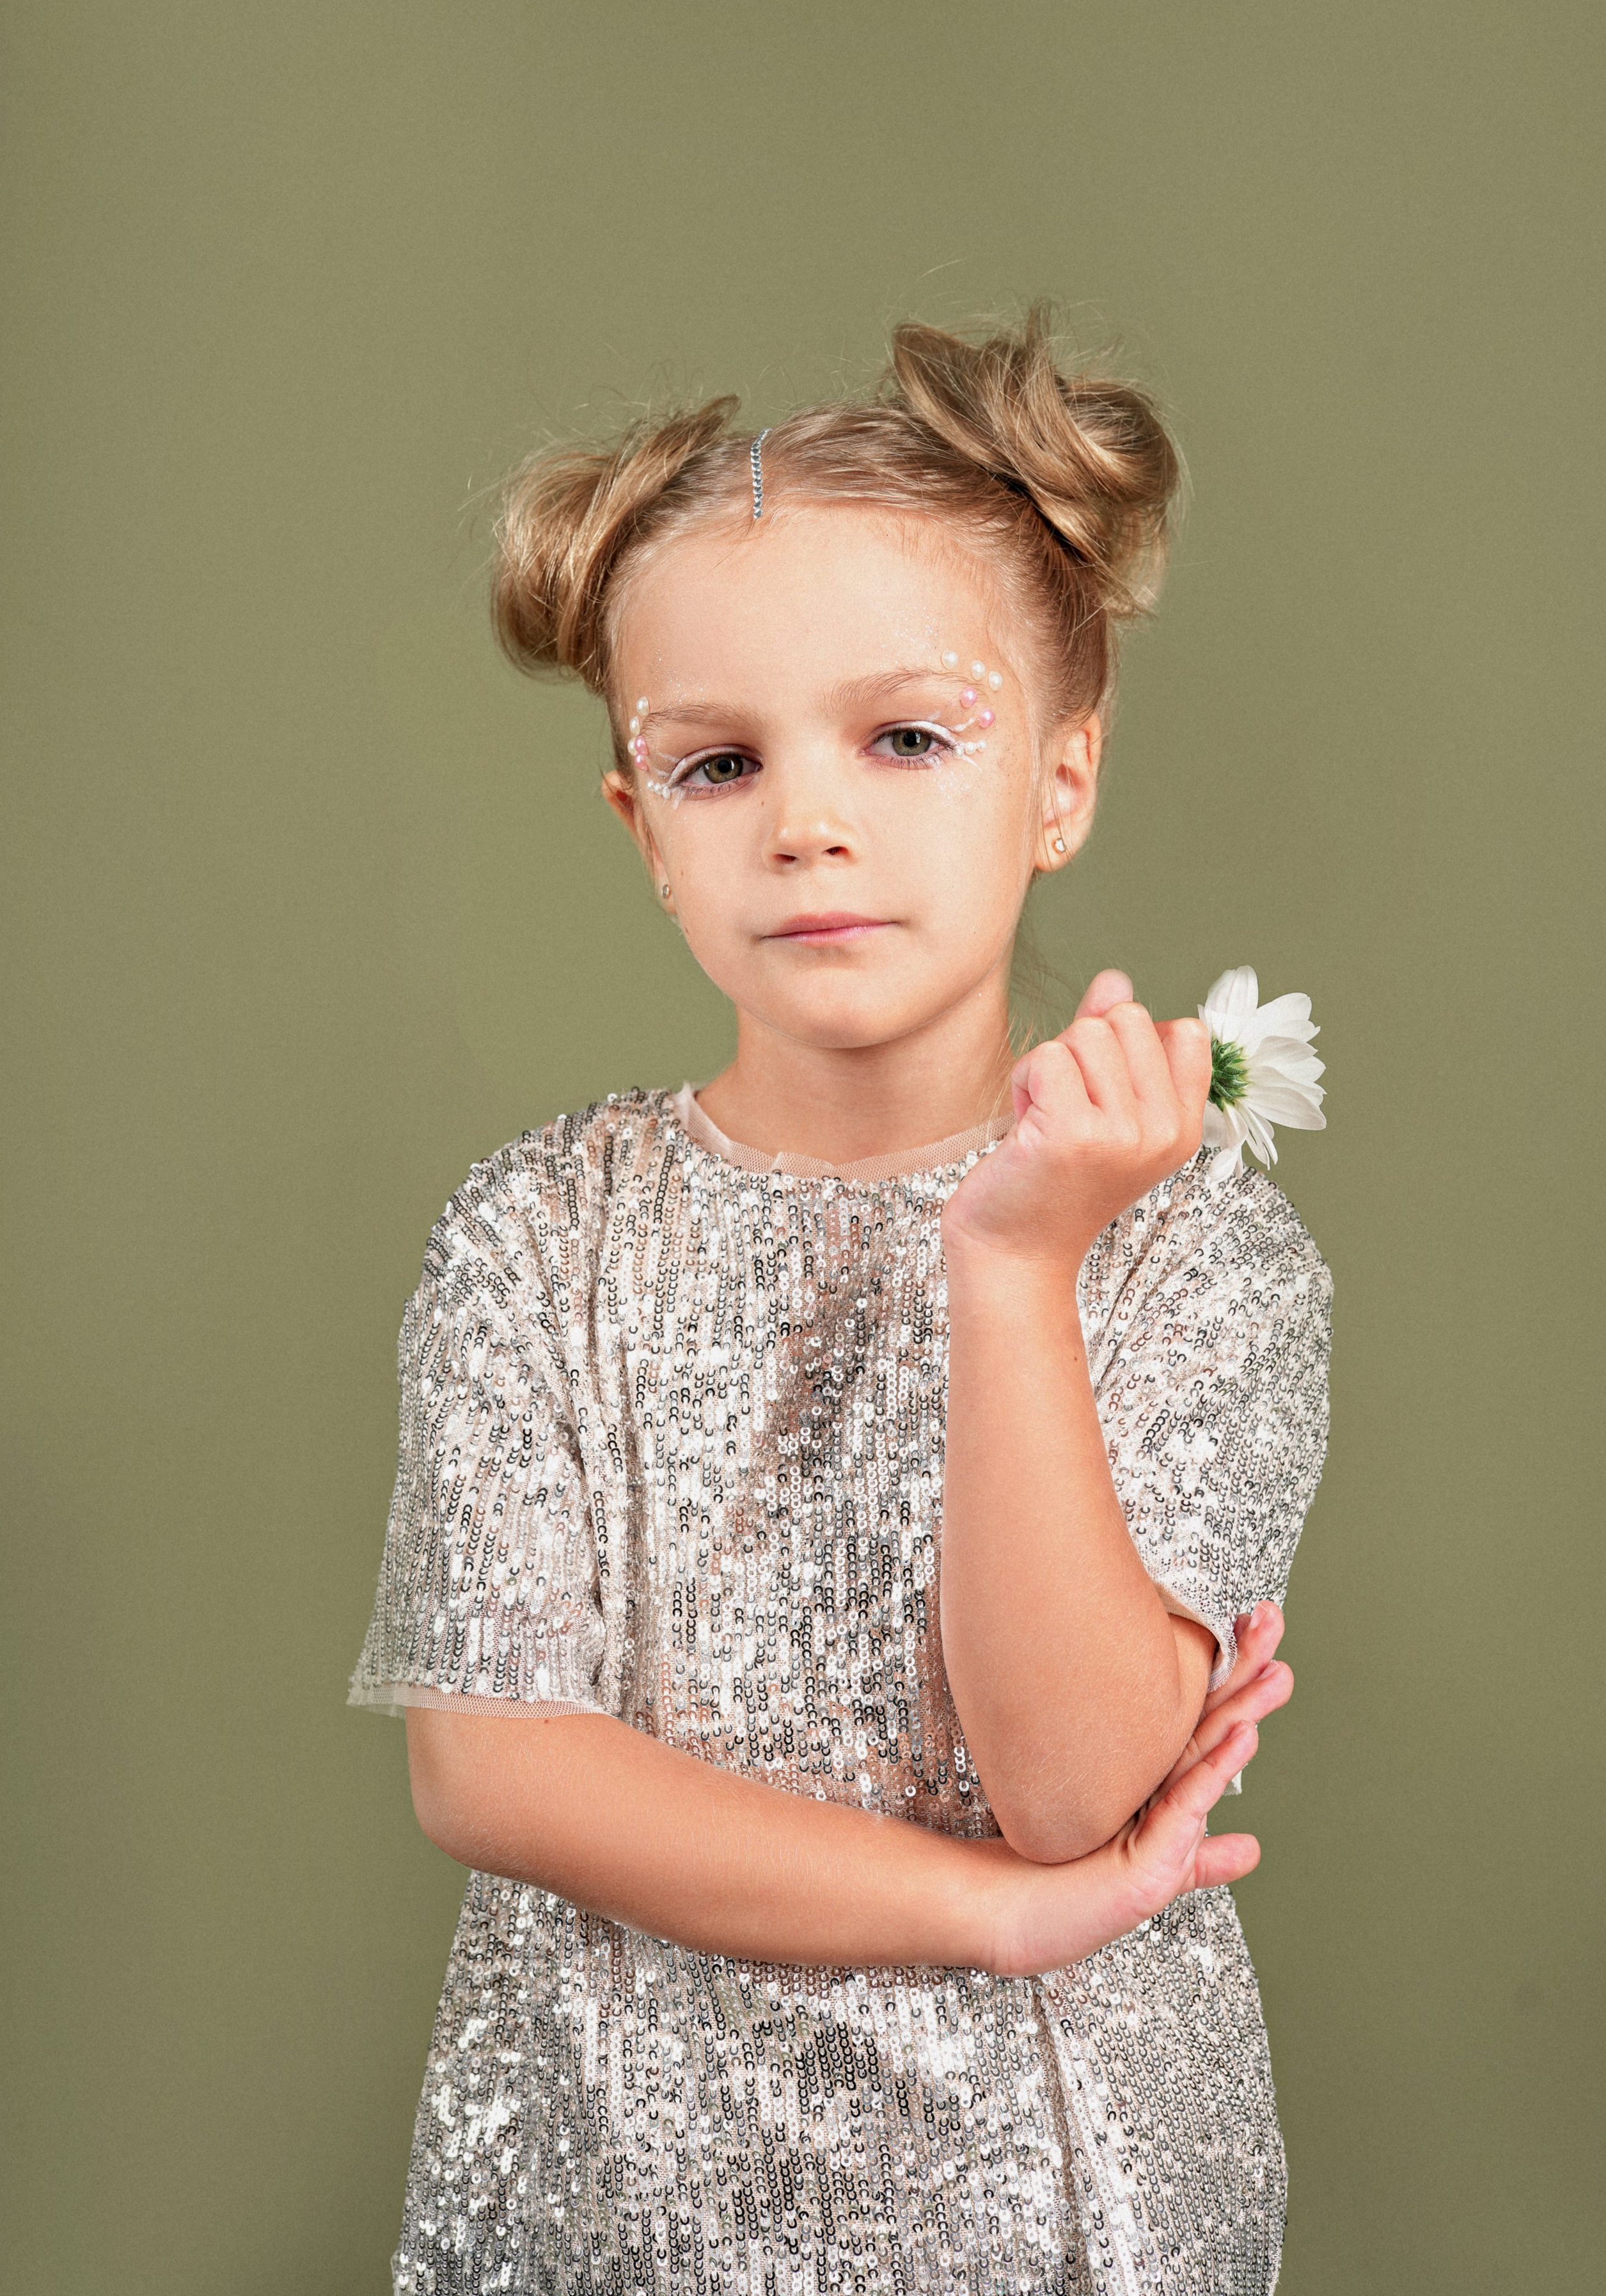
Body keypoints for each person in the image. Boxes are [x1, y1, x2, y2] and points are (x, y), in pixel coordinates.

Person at [350, 308, 1332, 2295]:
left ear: (1058, 783)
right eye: (719, 761)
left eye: (905, 736)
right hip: (617, 2192)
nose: (806, 818)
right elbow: (495, 1764)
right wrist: (981, 1917)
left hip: (1048, 2208)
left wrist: (1015, 1261)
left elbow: (1070, 1787)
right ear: (644, 829)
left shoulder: (1198, 1252)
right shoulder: (541, 1235)